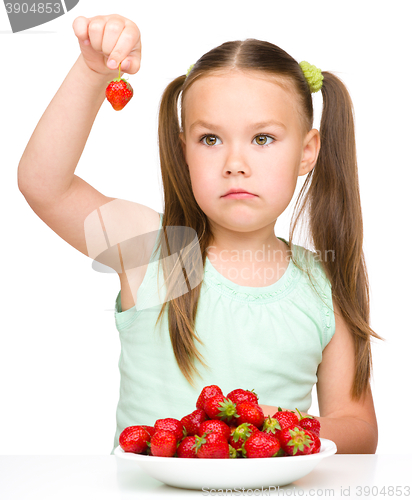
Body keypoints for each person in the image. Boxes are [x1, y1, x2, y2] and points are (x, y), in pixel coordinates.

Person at [17, 13, 381, 455]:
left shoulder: (322, 283)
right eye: (210, 139)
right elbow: (44, 184)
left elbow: (359, 429)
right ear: (183, 149)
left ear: (307, 152)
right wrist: (94, 72)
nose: (235, 162)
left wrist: (273, 428)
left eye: (263, 139)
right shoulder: (155, 251)